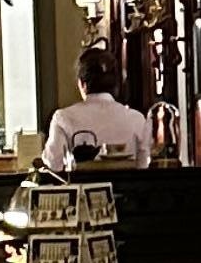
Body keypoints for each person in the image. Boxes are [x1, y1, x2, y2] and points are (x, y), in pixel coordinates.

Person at [42, 42, 154, 170]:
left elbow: (54, 164)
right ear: (116, 83)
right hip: (129, 189)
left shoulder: (63, 117)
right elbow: (144, 165)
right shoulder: (137, 119)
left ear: (82, 84)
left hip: (83, 188)